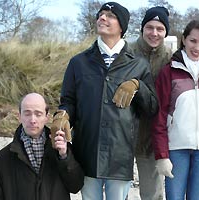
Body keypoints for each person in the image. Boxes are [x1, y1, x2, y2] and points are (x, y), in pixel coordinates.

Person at [51, 2, 158, 200]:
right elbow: (68, 100)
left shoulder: (139, 64)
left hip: (120, 156)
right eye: (101, 14)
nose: (102, 18)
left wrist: (138, 86)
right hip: (87, 152)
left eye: (110, 15)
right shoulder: (78, 62)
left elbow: (152, 107)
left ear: (122, 26)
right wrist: (63, 114)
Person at [152, 20, 199, 200]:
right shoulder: (169, 71)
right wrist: (162, 155)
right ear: (184, 40)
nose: (197, 47)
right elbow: (159, 116)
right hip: (176, 149)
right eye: (193, 41)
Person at [0, 93, 84, 200]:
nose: (33, 120)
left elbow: (76, 187)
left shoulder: (63, 150)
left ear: (47, 117)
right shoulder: (1, 160)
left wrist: (64, 157)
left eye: (38, 114)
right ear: (19, 116)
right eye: (27, 114)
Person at [129, 6, 172, 200]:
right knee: (118, 192)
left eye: (160, 29)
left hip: (152, 137)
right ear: (142, 28)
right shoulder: (126, 52)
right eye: (149, 27)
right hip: (124, 134)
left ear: (166, 32)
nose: (154, 33)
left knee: (153, 194)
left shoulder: (171, 59)